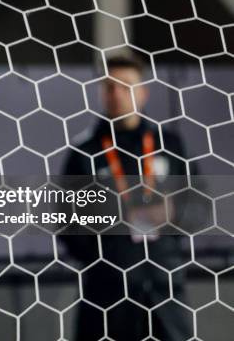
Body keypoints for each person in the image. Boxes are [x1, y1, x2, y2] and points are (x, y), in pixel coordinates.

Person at [60, 55, 192, 341]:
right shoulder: (85, 153)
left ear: (143, 92)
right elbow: (65, 222)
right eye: (109, 87)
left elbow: (197, 204)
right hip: (107, 292)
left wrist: (172, 213)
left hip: (163, 287)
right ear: (100, 92)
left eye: (126, 85)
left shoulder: (168, 145)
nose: (117, 94)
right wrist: (112, 234)